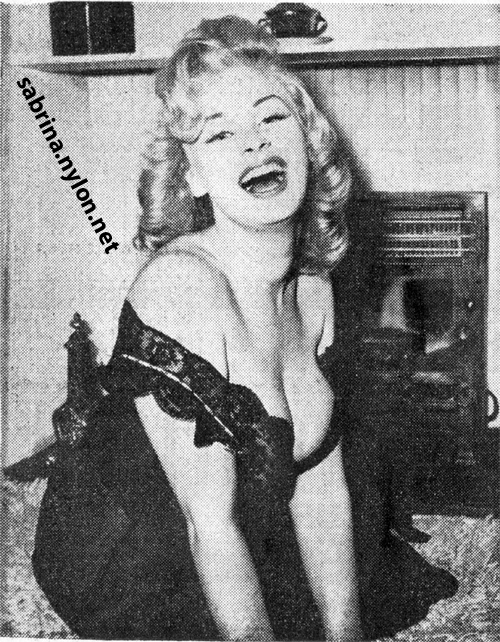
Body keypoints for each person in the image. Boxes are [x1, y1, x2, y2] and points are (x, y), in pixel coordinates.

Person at [32, 16, 457, 641]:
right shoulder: (181, 287)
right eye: (221, 133)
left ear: (308, 144)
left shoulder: (314, 289)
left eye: (271, 118)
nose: (255, 145)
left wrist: (345, 633)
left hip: (239, 519)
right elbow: (208, 524)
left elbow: (319, 485)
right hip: (133, 546)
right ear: (194, 177)